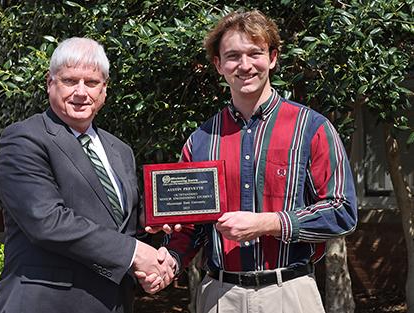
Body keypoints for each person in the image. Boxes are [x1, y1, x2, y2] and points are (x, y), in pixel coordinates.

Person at [138, 9, 358, 313]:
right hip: (219, 295)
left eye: (255, 53)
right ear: (218, 65)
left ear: (273, 57)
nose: (244, 65)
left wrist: (266, 223)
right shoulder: (201, 140)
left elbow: (342, 210)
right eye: (232, 56)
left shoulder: (312, 129)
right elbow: (191, 227)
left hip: (289, 294)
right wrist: (169, 261)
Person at [0, 37, 175, 313]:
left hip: (113, 303)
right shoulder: (24, 139)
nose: (81, 92)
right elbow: (48, 221)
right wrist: (134, 254)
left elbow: (122, 227)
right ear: (49, 83)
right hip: (48, 305)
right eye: (69, 81)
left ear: (104, 90)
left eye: (91, 83)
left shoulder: (120, 150)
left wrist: (151, 260)